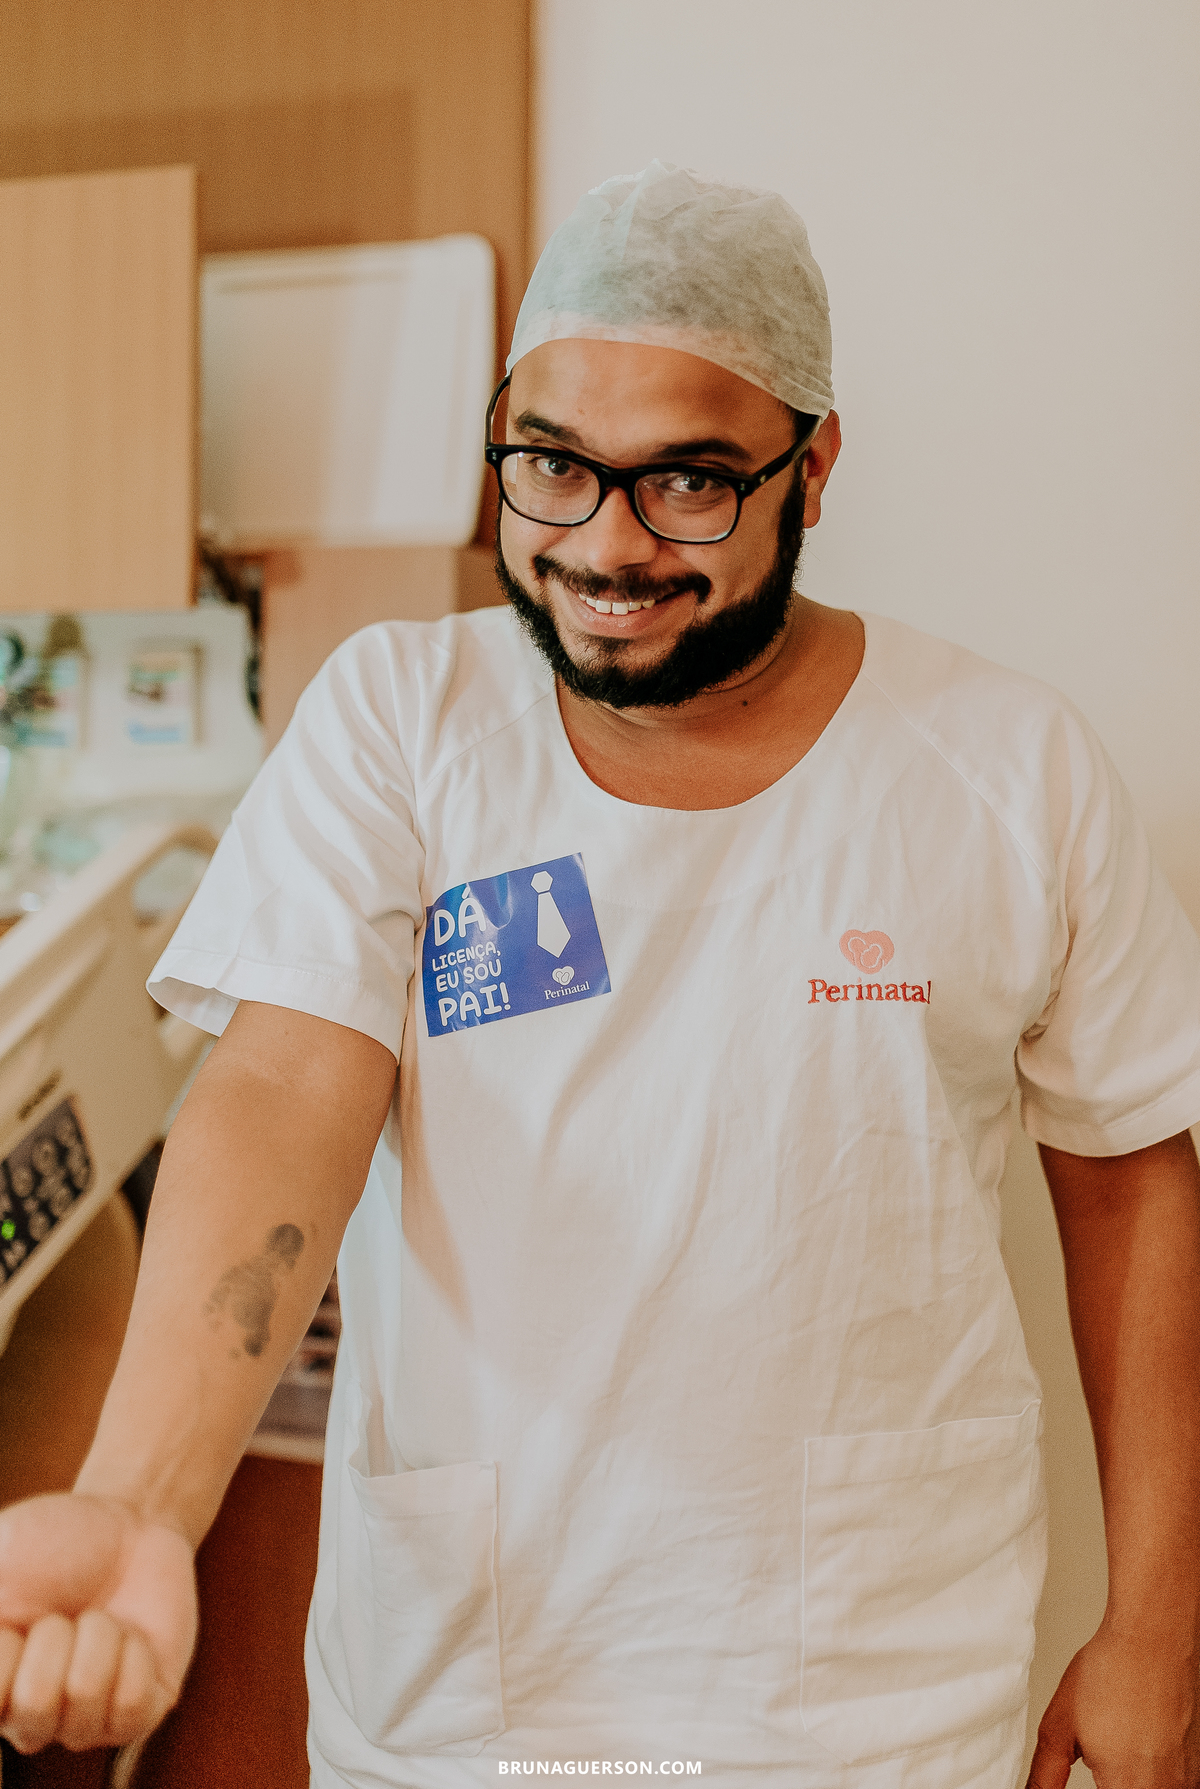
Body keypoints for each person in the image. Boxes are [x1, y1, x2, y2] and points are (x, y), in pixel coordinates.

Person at [1, 160, 1199, 1789]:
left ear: (815, 464)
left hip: (875, 1695)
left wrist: (1161, 1631)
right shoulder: (400, 725)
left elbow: (1132, 1183)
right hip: (465, 1685)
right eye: (551, 468)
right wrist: (142, 1498)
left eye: (689, 481)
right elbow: (284, 1085)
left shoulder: (1009, 769)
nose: (607, 546)